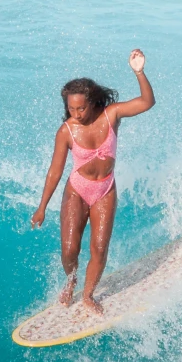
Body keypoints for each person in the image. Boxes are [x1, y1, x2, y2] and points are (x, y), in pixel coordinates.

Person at [31, 49, 155, 315]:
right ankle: (71, 280)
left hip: (104, 190)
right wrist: (42, 207)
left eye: (81, 108)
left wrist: (139, 72)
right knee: (69, 250)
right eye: (71, 108)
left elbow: (147, 102)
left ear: (93, 102)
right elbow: (55, 171)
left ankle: (87, 295)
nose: (75, 114)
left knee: (99, 248)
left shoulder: (111, 115)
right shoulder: (66, 131)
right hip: (77, 190)